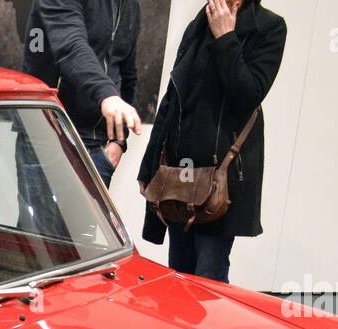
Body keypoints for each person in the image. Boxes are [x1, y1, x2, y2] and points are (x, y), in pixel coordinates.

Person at [137, 0, 286, 283]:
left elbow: (247, 95)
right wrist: (148, 167)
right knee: (179, 275)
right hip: (179, 177)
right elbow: (172, 99)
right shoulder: (199, 22)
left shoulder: (268, 27)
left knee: (209, 279)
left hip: (220, 183)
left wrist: (227, 38)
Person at [22, 0, 142, 187]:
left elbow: (127, 73)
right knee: (41, 218)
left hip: (98, 151)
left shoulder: (130, 6)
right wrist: (106, 94)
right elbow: (71, 46)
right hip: (47, 138)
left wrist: (119, 141)